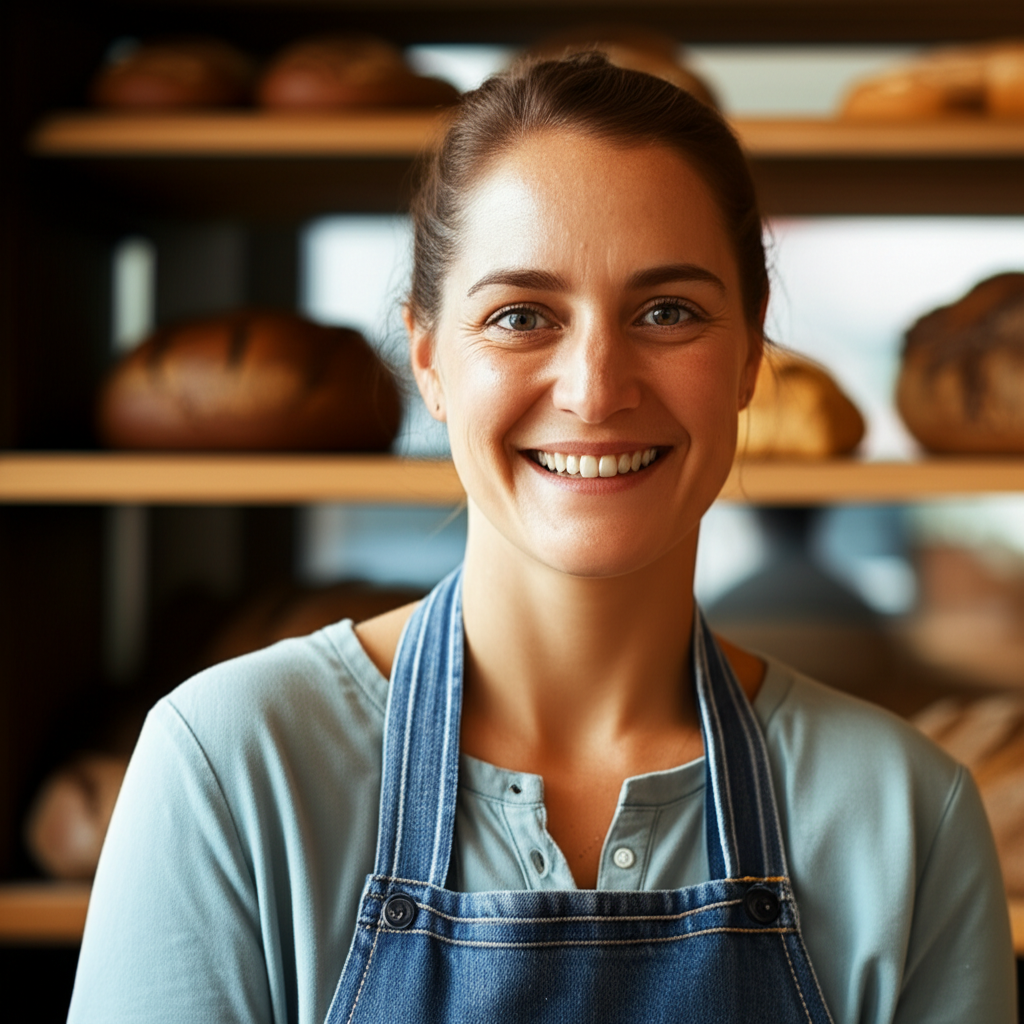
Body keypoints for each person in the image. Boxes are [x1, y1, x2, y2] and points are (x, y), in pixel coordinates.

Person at [68, 53, 1015, 1023]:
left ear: (747, 356)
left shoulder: (904, 813)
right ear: (429, 360)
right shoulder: (233, 764)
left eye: (667, 312)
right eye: (521, 316)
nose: (595, 388)